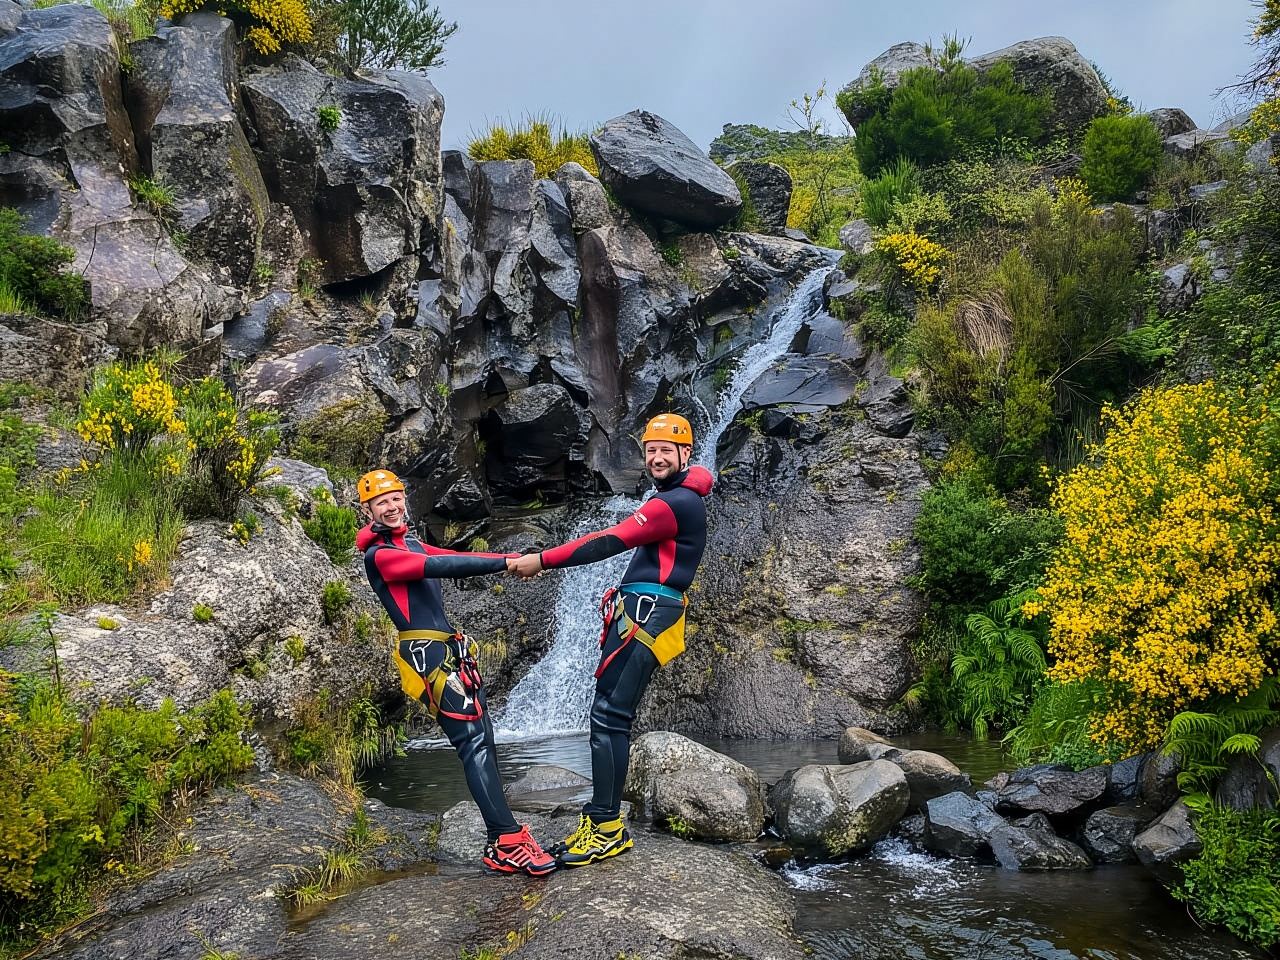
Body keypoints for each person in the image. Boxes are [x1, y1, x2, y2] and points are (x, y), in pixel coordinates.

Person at [508, 413, 714, 867]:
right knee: (609, 717)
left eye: (668, 450)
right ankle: (602, 820)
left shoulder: (673, 503)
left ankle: (605, 828)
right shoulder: (678, 496)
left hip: (646, 615)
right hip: (644, 612)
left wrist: (540, 560)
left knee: (608, 717)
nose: (658, 457)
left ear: (685, 454)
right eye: (652, 449)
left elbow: (610, 540)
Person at [357, 468, 556, 877]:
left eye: (395, 499)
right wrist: (506, 560)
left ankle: (502, 836)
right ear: (368, 511)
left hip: (449, 650)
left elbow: (452, 557)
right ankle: (505, 840)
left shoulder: (410, 544)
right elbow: (445, 566)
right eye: (382, 503)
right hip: (427, 654)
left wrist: (513, 562)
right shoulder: (380, 556)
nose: (391, 507)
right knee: (473, 744)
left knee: (484, 738)